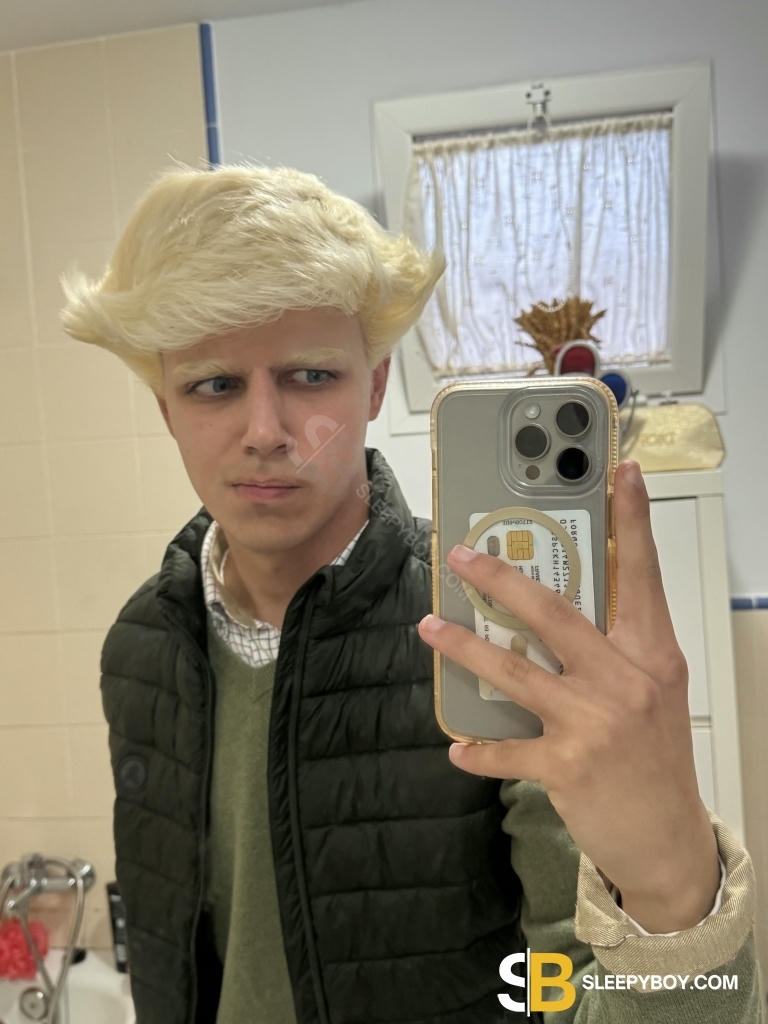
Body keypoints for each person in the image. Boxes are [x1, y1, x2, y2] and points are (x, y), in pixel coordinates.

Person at [60, 164, 763, 1024]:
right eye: (214, 384)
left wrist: (673, 894)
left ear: (375, 383)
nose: (266, 432)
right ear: (167, 408)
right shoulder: (141, 643)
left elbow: (576, 996)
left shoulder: (497, 637)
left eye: (309, 376)